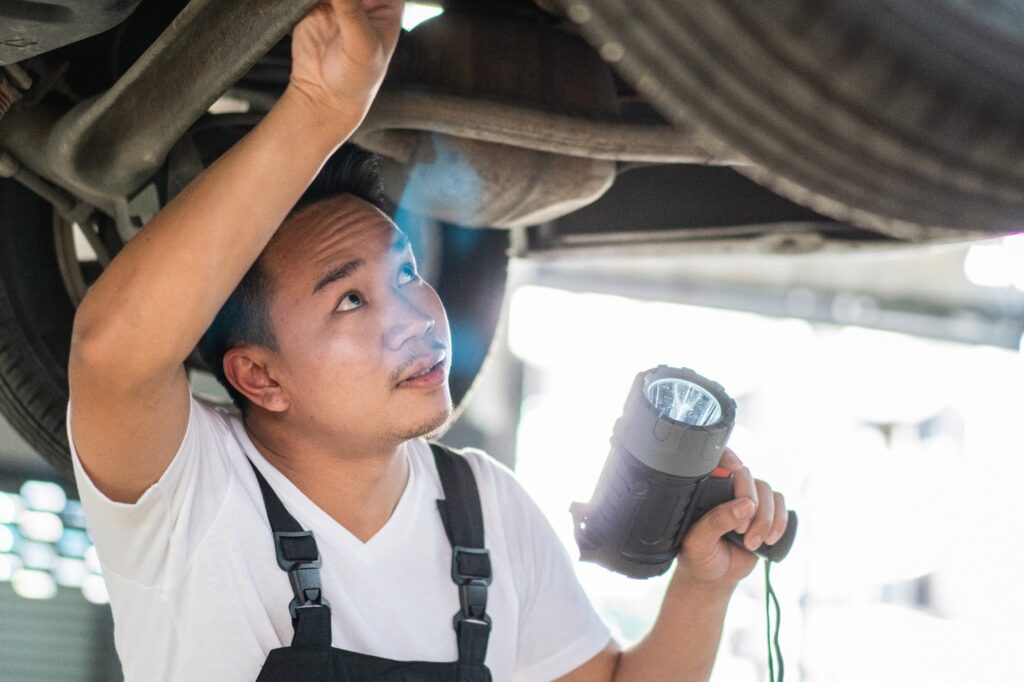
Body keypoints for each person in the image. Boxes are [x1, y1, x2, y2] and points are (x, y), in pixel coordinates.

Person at [66, 1, 790, 680]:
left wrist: (703, 588)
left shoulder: (486, 508)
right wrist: (321, 108)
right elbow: (111, 350)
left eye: (407, 272)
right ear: (260, 377)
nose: (417, 315)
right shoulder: (190, 494)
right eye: (352, 299)